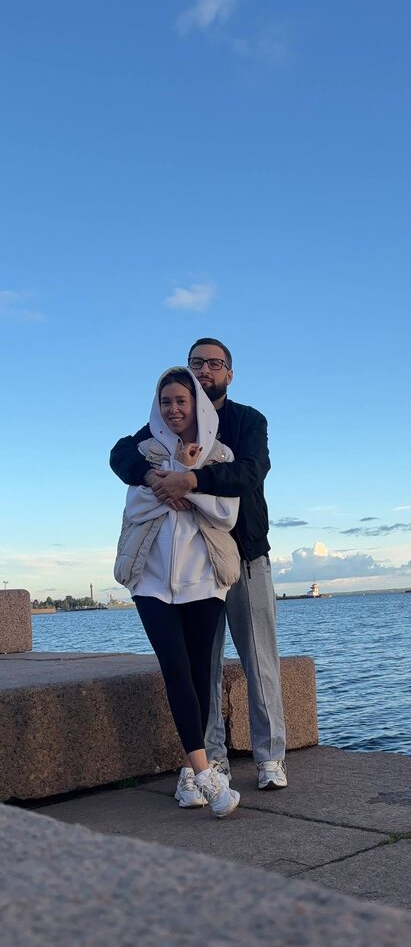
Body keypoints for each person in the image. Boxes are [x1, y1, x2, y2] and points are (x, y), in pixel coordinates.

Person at [110, 338, 287, 791]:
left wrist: (190, 480)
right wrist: (153, 476)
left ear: (230, 372)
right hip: (197, 564)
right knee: (200, 665)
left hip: (245, 552)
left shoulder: (248, 420)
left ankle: (270, 758)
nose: (205, 370)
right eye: (197, 363)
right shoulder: (171, 421)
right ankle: (213, 761)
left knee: (259, 659)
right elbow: (122, 454)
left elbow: (251, 472)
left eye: (214, 363)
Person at [114, 366, 241, 817]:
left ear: (196, 405)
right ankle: (206, 775)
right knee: (174, 666)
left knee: (199, 671)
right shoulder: (143, 452)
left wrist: (189, 479)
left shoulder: (220, 454)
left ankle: (190, 771)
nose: (173, 409)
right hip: (150, 578)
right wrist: (168, 485)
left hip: (204, 579)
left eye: (181, 401)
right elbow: (136, 507)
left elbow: (225, 514)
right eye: (165, 401)